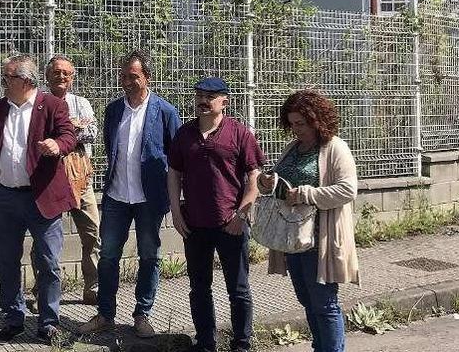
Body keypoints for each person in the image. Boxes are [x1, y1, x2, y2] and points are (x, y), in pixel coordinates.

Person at [78, 49, 181, 338]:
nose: (126, 81)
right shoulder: (113, 110)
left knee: (150, 255)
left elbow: (177, 157)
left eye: (133, 76)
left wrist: (174, 198)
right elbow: (112, 148)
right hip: (116, 196)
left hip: (149, 199)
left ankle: (142, 314)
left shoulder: (165, 111)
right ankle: (105, 314)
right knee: (109, 255)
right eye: (123, 76)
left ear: (147, 77)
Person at [0, 55, 78, 345]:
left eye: (7, 77)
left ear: (25, 80)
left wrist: (56, 145)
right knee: (6, 261)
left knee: (48, 261)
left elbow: (69, 136)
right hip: (5, 197)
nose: (3, 82)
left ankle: (48, 323)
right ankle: (13, 319)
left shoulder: (52, 105)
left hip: (41, 197)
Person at [257, 90, 359, 352]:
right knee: (307, 300)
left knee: (324, 305)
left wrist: (306, 194)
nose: (295, 129)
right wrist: (266, 182)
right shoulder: (293, 148)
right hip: (294, 240)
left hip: (320, 241)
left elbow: (348, 189)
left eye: (300, 123)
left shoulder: (335, 148)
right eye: (291, 124)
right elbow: (281, 183)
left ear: (316, 120)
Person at [168, 78, 265, 352]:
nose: (203, 101)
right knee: (199, 288)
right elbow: (174, 173)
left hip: (230, 224)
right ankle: (206, 341)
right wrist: (176, 211)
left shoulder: (239, 133)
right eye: (199, 95)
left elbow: (253, 175)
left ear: (224, 101)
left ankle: (242, 343)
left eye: (210, 96)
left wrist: (242, 214)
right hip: (194, 224)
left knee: (239, 289)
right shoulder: (184, 134)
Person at [31, 56, 101, 307]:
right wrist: (72, 127)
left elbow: (92, 132)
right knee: (45, 238)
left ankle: (93, 287)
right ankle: (42, 291)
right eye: (56, 73)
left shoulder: (81, 102)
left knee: (93, 233)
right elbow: (38, 137)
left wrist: (61, 132)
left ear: (72, 77)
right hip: (49, 178)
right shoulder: (38, 103)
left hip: (81, 177)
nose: (61, 77)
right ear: (47, 76)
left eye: (66, 73)